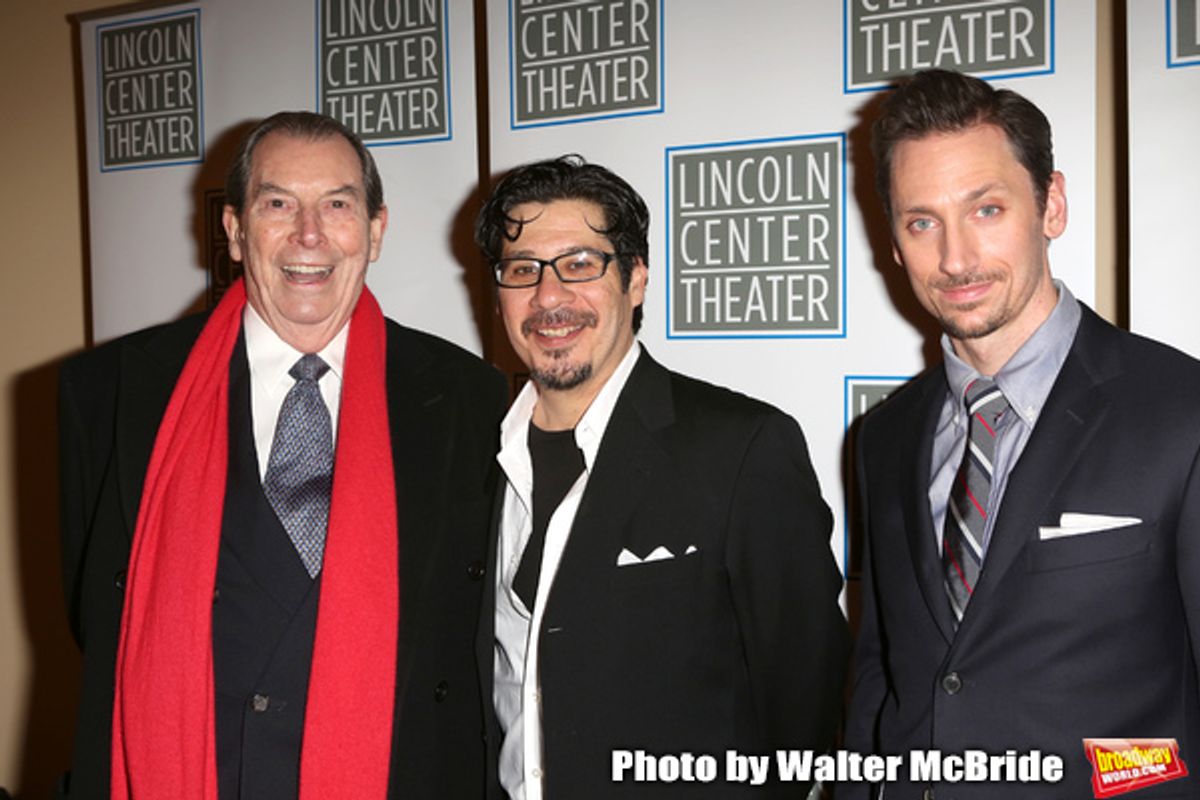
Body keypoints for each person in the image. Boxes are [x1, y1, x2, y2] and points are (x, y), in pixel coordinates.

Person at [58, 111, 507, 799]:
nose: (309, 234)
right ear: (236, 232)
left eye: (337, 204)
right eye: (277, 204)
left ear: (375, 230)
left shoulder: (470, 398)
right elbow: (96, 620)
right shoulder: (111, 393)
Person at [845, 69, 1200, 798]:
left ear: (1052, 205)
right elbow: (881, 679)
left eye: (986, 209)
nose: (955, 258)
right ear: (895, 241)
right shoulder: (882, 440)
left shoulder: (1181, 410)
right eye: (922, 222)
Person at [473, 155, 848, 799]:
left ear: (636, 278)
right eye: (522, 269)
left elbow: (810, 706)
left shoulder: (742, 448)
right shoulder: (479, 459)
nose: (549, 296)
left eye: (580, 264)